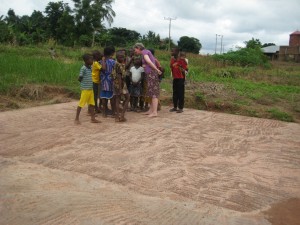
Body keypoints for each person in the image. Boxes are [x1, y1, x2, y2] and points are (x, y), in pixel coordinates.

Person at [133, 43, 162, 117]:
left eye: (135, 49)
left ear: (139, 48)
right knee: (151, 92)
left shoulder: (145, 52)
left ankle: (155, 112)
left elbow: (149, 61)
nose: (135, 51)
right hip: (150, 74)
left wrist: (156, 69)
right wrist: (144, 66)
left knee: (153, 92)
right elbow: (147, 63)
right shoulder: (145, 52)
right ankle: (151, 110)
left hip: (151, 74)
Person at [75, 54, 100, 124]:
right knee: (81, 104)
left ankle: (93, 118)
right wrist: (83, 82)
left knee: (92, 104)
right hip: (85, 89)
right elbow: (80, 77)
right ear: (86, 61)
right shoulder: (83, 68)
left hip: (90, 89)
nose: (92, 61)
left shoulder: (90, 67)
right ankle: (76, 118)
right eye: (91, 59)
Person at [112, 50, 130, 122]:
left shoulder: (118, 64)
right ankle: (121, 115)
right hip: (120, 84)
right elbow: (119, 77)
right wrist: (120, 88)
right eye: (120, 57)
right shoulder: (119, 65)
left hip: (117, 84)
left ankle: (117, 117)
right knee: (127, 98)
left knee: (118, 99)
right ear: (117, 57)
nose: (122, 58)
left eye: (123, 57)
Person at [169, 48, 188, 113]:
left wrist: (181, 67)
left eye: (172, 51)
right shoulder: (172, 60)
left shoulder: (182, 60)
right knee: (175, 93)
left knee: (180, 93)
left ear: (177, 52)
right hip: (175, 78)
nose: (171, 52)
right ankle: (175, 107)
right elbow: (171, 67)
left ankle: (180, 108)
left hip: (180, 78)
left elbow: (186, 70)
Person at [100, 46, 116, 118]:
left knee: (104, 97)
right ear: (112, 53)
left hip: (103, 81)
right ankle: (113, 113)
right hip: (110, 81)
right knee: (112, 98)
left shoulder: (100, 61)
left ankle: (104, 113)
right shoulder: (113, 62)